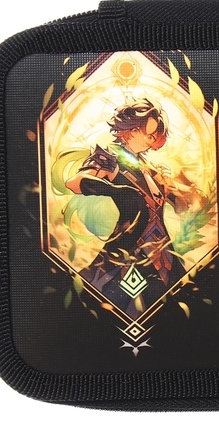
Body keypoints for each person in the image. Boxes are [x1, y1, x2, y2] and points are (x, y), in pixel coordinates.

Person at [65, 98, 200, 319]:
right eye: (148, 133)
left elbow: (182, 208)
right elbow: (75, 182)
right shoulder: (110, 157)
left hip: (164, 253)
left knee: (176, 307)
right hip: (130, 249)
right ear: (131, 130)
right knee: (125, 308)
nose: (151, 139)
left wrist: (175, 187)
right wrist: (116, 190)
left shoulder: (149, 169)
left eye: (153, 135)